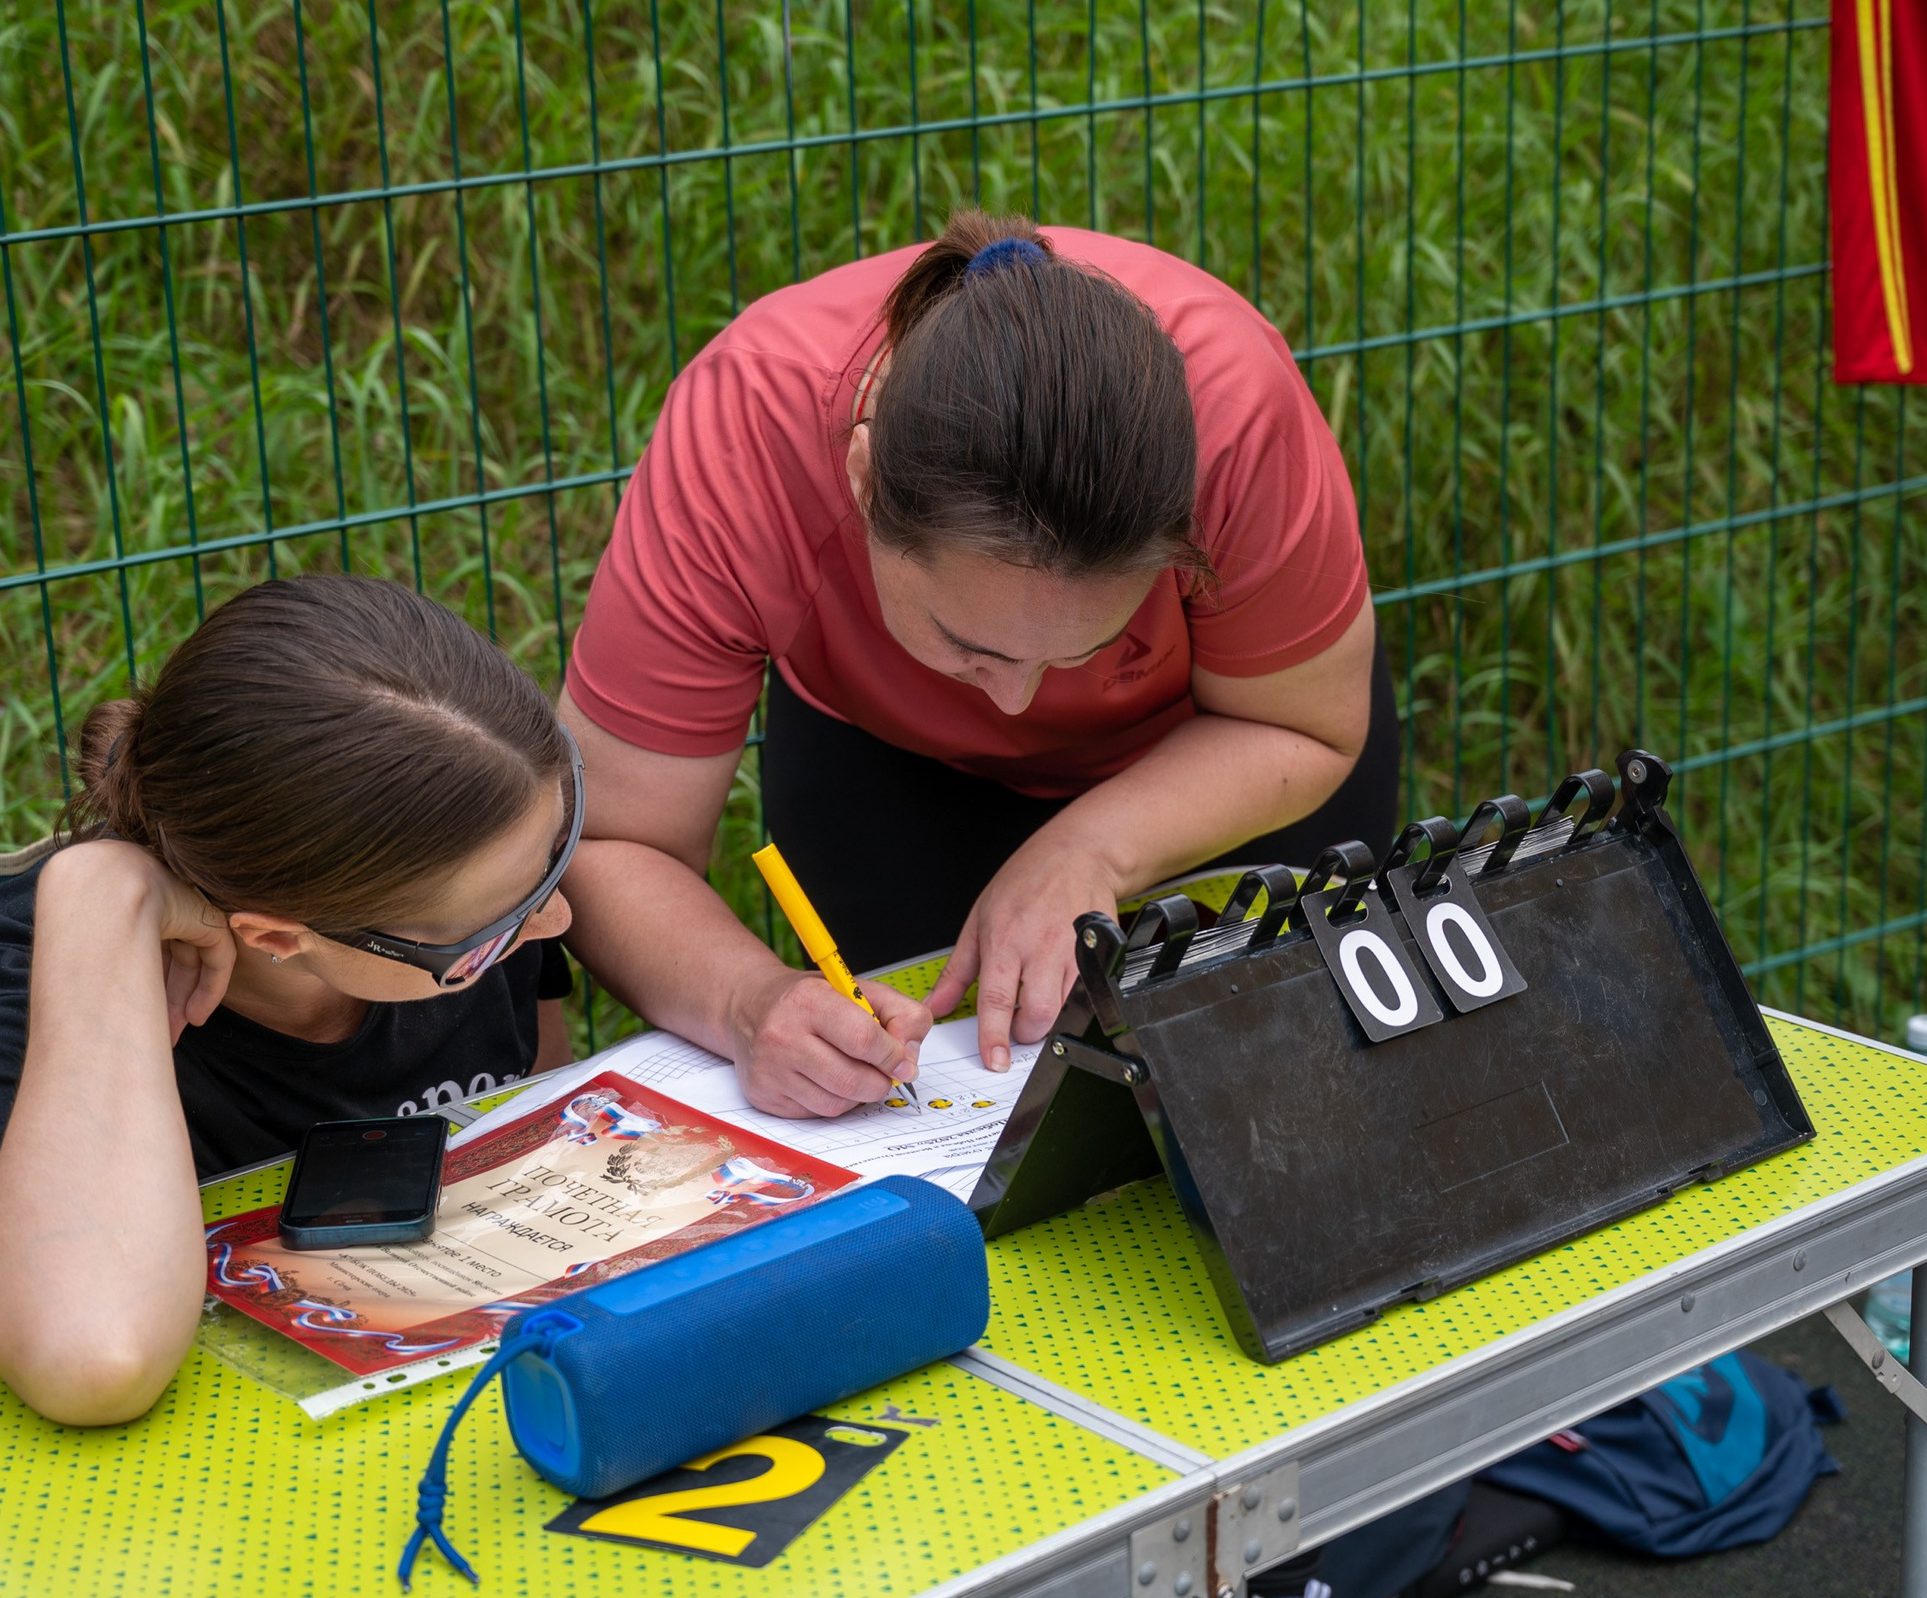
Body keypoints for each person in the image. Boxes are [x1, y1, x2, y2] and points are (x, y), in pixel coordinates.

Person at [562, 211, 1391, 1120]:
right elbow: (611, 839)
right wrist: (744, 1000)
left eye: (1086, 647)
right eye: (968, 644)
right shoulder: (740, 438)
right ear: (863, 477)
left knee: (1287, 1113)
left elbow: (1303, 720)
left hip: (1217, 748)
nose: (1017, 700)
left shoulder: (1234, 413)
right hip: (890, 756)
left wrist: (1089, 846)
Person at [0, 577, 582, 1425]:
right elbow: (90, 1358)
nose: (559, 917)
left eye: (557, 855)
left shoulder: (473, 899)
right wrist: (101, 892)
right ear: (274, 937)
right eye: (498, 924)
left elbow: (546, 1122)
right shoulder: (9, 1011)